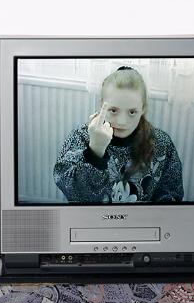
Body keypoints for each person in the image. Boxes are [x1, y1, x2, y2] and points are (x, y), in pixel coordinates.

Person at [53, 66, 183, 203]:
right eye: (113, 110)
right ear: (102, 105)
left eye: (132, 112)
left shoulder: (161, 143)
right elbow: (72, 192)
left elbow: (171, 194)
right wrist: (95, 150)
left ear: (143, 109)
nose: (121, 122)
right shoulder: (81, 136)